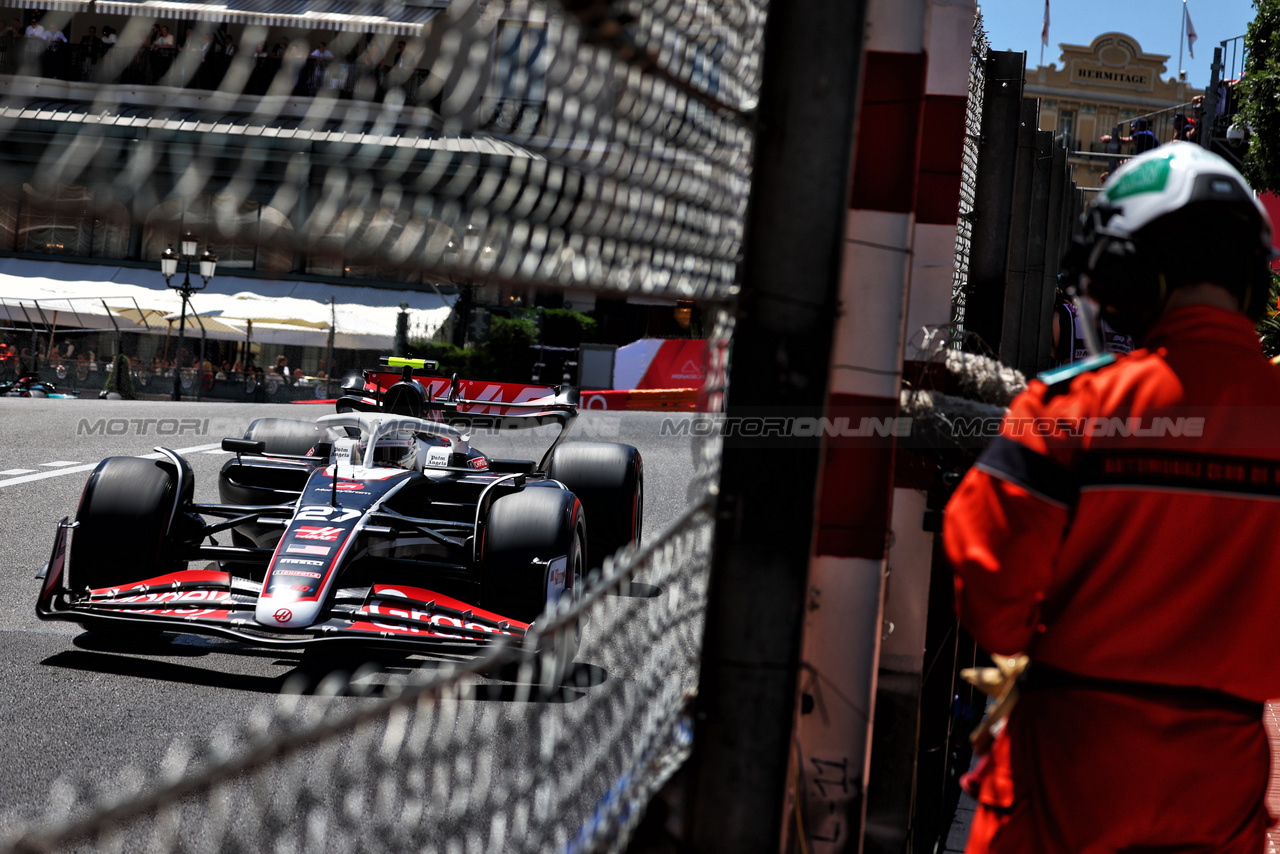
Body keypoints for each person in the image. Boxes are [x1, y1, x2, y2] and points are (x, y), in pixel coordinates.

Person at [944, 142, 1280, 853]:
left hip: (1067, 765)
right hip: (1224, 775)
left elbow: (992, 605)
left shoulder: (1073, 407)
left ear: (1131, 271)